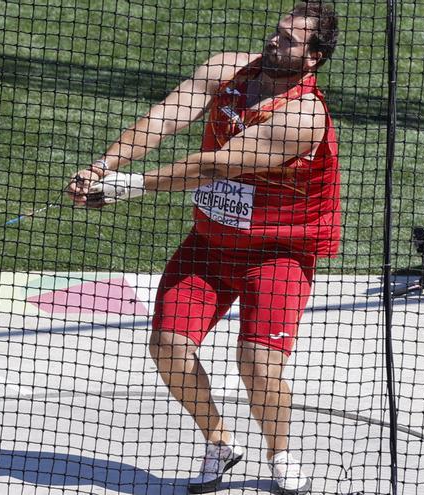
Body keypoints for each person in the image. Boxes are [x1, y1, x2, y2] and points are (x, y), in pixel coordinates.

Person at [66, 2, 339, 494]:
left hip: (278, 253)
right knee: (168, 346)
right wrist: (104, 167)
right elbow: (163, 118)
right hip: (211, 242)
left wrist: (130, 187)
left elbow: (215, 166)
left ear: (313, 58)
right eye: (277, 33)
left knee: (257, 363)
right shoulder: (226, 67)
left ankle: (279, 453)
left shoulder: (301, 116)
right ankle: (219, 444)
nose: (275, 42)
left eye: (290, 40)